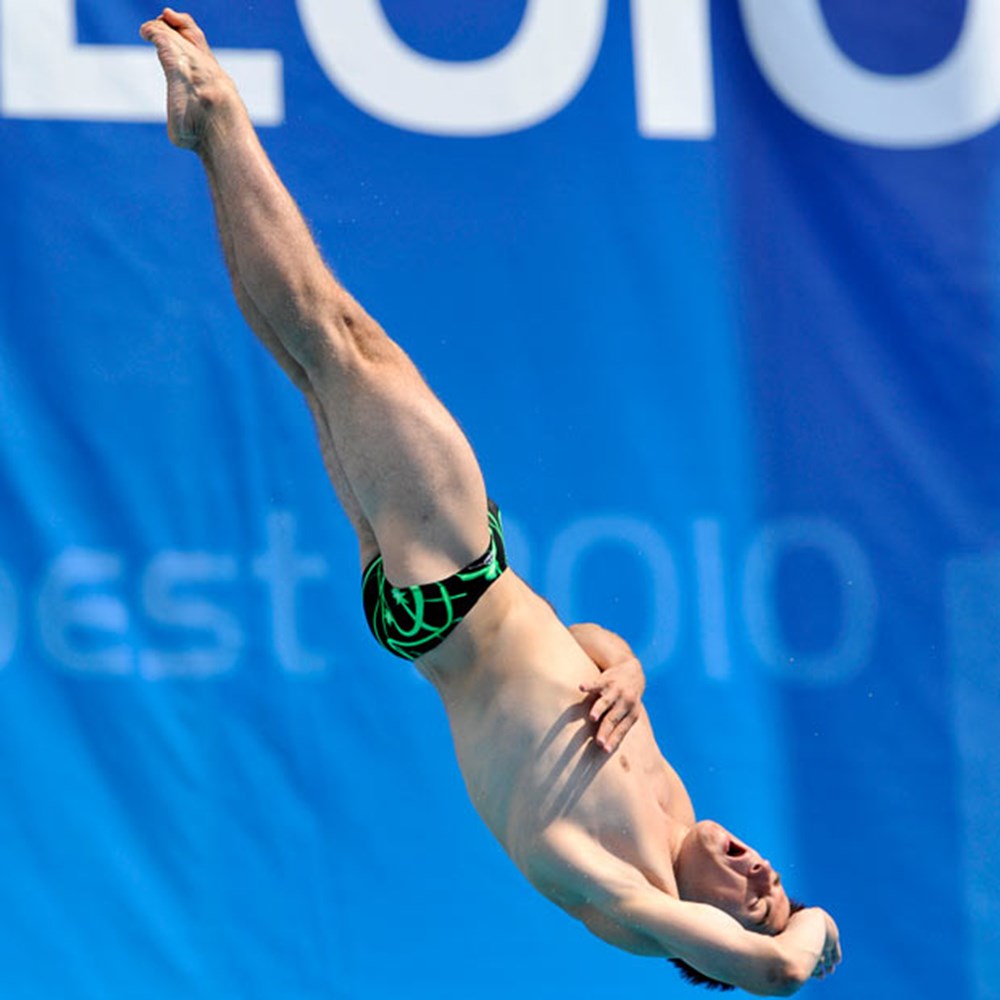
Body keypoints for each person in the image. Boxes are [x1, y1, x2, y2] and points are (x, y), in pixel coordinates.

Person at [140, 9, 842, 993]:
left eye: (751, 896)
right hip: (443, 604)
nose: (760, 872)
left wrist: (807, 923)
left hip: (460, 588)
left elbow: (778, 973)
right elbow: (582, 639)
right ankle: (209, 143)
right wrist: (626, 665)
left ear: (701, 938)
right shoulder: (674, 808)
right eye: (774, 877)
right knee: (316, 361)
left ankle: (217, 116)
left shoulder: (633, 904)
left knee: (342, 339)